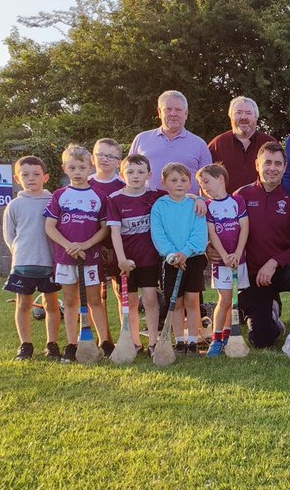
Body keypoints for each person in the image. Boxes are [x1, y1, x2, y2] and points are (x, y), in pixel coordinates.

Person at [237, 143, 290, 357]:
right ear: (257, 165)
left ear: (285, 167)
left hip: (283, 268)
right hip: (253, 274)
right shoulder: (241, 196)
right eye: (267, 163)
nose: (272, 168)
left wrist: (274, 262)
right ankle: (271, 314)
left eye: (278, 164)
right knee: (262, 340)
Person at [43, 144, 111, 363]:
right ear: (65, 169)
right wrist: (69, 246)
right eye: (72, 168)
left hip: (90, 257)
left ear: (90, 167)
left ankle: (105, 343)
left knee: (94, 300)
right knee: (71, 301)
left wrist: (85, 244)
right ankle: (72, 344)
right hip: (66, 258)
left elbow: (105, 229)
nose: (77, 172)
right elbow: (50, 227)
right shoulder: (59, 195)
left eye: (82, 167)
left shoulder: (99, 196)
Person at [2, 155, 61, 360]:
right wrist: (21, 253)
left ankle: (52, 344)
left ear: (45, 177)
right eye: (25, 175)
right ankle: (25, 345)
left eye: (36, 174)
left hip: (49, 263)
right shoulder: (14, 206)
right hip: (23, 264)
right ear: (18, 179)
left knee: (51, 305)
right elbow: (9, 236)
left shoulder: (54, 200)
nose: (31, 179)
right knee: (23, 305)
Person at [106, 154, 164, 353]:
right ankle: (134, 342)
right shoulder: (115, 199)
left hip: (148, 259)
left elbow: (178, 196)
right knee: (129, 301)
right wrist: (121, 260)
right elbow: (114, 232)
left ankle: (154, 342)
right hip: (125, 261)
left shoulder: (155, 195)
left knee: (150, 299)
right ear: (122, 174)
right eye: (130, 172)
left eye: (140, 172)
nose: (135, 176)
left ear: (149, 174)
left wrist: (195, 197)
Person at [150, 162, 209, 356]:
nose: (179, 184)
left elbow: (199, 233)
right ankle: (180, 340)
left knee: (192, 301)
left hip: (193, 258)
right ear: (164, 182)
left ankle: (193, 340)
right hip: (171, 260)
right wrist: (173, 255)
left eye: (184, 180)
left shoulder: (195, 204)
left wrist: (186, 252)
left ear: (190, 183)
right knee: (176, 302)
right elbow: (158, 234)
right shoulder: (159, 206)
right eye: (174, 180)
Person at [197, 164, 250, 358]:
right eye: (201, 184)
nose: (204, 187)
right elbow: (212, 233)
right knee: (224, 299)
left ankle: (229, 334)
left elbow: (244, 228)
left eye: (206, 182)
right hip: (222, 262)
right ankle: (216, 339)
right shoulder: (207, 206)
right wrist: (224, 255)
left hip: (239, 259)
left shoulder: (238, 201)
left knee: (233, 301)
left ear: (220, 179)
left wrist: (237, 253)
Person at [128, 90, 213, 193]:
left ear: (186, 114)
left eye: (178, 110)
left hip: (187, 207)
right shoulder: (141, 139)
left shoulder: (199, 144)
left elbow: (208, 182)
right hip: (147, 206)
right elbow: (128, 174)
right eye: (168, 109)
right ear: (159, 112)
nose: (173, 114)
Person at [88, 137, 125, 349]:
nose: (105, 159)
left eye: (111, 156)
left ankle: (125, 338)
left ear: (119, 161)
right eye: (100, 154)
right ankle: (103, 339)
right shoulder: (86, 184)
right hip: (93, 247)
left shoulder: (124, 184)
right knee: (95, 296)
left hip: (118, 247)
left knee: (123, 293)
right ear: (93, 157)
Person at [207, 96, 275, 190]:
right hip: (227, 203)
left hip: (264, 203)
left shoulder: (270, 143)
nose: (243, 117)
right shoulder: (217, 145)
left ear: (256, 117)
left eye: (248, 113)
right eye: (238, 113)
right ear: (231, 116)